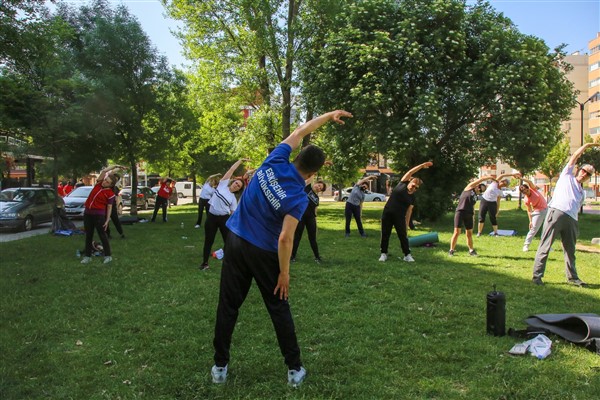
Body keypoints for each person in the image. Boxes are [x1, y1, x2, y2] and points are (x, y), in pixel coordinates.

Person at [210, 110, 352, 387]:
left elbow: (301, 131)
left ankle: (219, 367)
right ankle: (294, 369)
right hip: (264, 252)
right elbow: (286, 238)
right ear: (313, 173)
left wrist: (329, 116)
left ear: (296, 156)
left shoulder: (274, 159)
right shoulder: (299, 197)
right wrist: (284, 273)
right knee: (278, 308)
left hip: (235, 242)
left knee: (228, 306)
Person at [532, 142, 599, 287]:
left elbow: (576, 206)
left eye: (588, 174)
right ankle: (537, 276)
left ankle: (573, 278)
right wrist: (587, 145)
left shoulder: (583, 192)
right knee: (546, 245)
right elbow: (574, 156)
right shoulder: (567, 176)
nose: (584, 174)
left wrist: (575, 222)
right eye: (583, 170)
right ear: (578, 170)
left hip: (571, 219)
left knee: (570, 250)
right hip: (556, 212)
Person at [378, 162, 432, 263]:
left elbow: (409, 212)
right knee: (385, 233)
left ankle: (407, 255)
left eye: (416, 187)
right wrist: (421, 166)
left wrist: (406, 225)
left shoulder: (412, 198)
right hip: (387, 213)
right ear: (409, 181)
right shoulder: (402, 184)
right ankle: (383, 253)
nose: (414, 188)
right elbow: (411, 171)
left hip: (399, 217)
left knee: (403, 235)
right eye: (413, 185)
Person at [200, 160, 248, 271]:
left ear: (239, 189)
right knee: (209, 240)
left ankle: (228, 260)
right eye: (236, 183)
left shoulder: (233, 199)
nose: (236, 186)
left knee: (228, 241)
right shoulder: (223, 184)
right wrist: (240, 161)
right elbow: (231, 170)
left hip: (223, 219)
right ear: (233, 182)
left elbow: (233, 213)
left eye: (239, 186)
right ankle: (205, 263)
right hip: (211, 217)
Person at [80, 165, 125, 265]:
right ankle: (87, 256)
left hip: (98, 215)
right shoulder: (98, 184)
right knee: (89, 235)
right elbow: (105, 171)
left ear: (111, 185)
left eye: (107, 182)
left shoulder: (110, 194)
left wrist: (107, 219)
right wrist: (116, 166)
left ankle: (108, 256)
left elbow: (109, 207)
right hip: (88, 213)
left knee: (102, 235)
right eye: (105, 180)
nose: (105, 182)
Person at [448, 176, 494, 257]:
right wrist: (489, 177)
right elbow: (479, 180)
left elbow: (472, 206)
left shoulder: (476, 196)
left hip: (469, 214)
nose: (479, 189)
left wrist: (473, 217)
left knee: (469, 233)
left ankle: (471, 250)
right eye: (479, 187)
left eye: (481, 190)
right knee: (456, 232)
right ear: (477, 185)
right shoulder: (468, 188)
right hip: (460, 212)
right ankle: (451, 250)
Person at [291, 178, 326, 263]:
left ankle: (317, 257)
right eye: (319, 185)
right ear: (315, 183)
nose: (318, 188)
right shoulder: (307, 187)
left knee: (312, 238)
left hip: (311, 219)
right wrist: (322, 164)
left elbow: (315, 212)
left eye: (320, 188)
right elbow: (311, 174)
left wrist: (316, 225)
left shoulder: (317, 199)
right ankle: (292, 257)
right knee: (297, 237)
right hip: (301, 217)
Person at [476, 172, 520, 237]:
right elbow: (502, 175)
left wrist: (497, 211)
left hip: (492, 203)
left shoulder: (500, 192)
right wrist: (512, 175)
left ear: (505, 186)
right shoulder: (494, 183)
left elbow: (498, 202)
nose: (502, 184)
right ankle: (479, 233)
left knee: (493, 218)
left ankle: (496, 233)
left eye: (504, 184)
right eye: (503, 182)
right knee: (481, 217)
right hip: (484, 201)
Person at [519, 177, 548, 252]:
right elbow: (529, 210)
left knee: (548, 228)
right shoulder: (526, 200)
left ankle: (546, 246)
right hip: (538, 212)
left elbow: (529, 181)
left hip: (547, 209)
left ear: (528, 188)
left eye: (526, 190)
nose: (526, 192)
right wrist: (530, 221)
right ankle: (526, 245)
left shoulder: (533, 189)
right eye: (524, 192)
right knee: (533, 229)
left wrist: (521, 178)